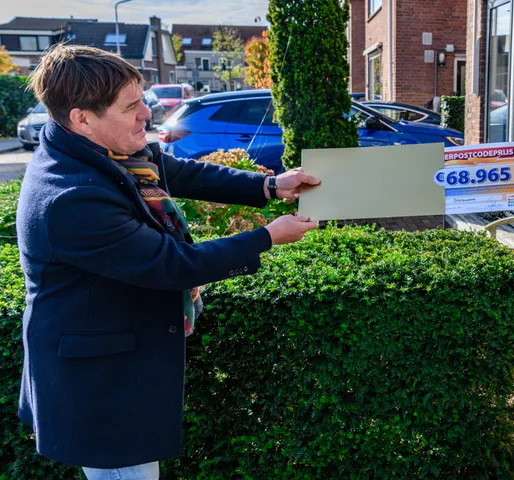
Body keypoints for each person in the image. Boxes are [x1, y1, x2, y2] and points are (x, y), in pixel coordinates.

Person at [16, 45, 320, 479]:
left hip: (112, 361)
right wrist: (266, 238)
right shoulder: (71, 198)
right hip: (99, 385)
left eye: (142, 98)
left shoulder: (103, 149)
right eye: (131, 105)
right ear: (82, 117)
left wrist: (270, 185)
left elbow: (179, 172)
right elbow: (174, 265)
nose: (147, 113)